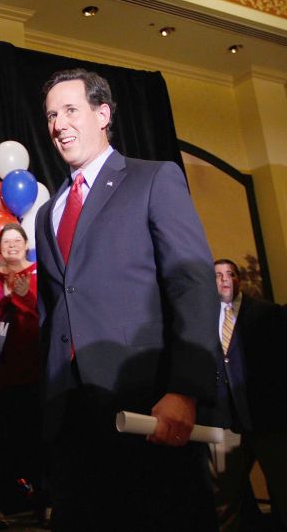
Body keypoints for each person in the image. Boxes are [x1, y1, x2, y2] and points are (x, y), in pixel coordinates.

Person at [34, 68, 220, 530]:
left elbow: (192, 283)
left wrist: (185, 389)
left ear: (103, 114)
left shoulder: (153, 179)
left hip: (149, 406)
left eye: (71, 110)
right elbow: (52, 311)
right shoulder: (47, 213)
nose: (59, 124)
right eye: (52, 115)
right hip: (72, 418)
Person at [0, 222, 45, 526]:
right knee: (1, 444)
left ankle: (45, 503)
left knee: (39, 439)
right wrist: (5, 296)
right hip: (2, 374)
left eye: (17, 240)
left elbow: (47, 316)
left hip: (37, 371)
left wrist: (26, 296)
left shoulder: (40, 273)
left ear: (26, 244)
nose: (12, 245)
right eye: (6, 242)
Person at [211, 259, 287, 531]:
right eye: (218, 275)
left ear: (239, 279)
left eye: (229, 273)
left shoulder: (267, 313)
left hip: (269, 421)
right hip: (228, 424)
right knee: (225, 501)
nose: (224, 279)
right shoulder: (204, 320)